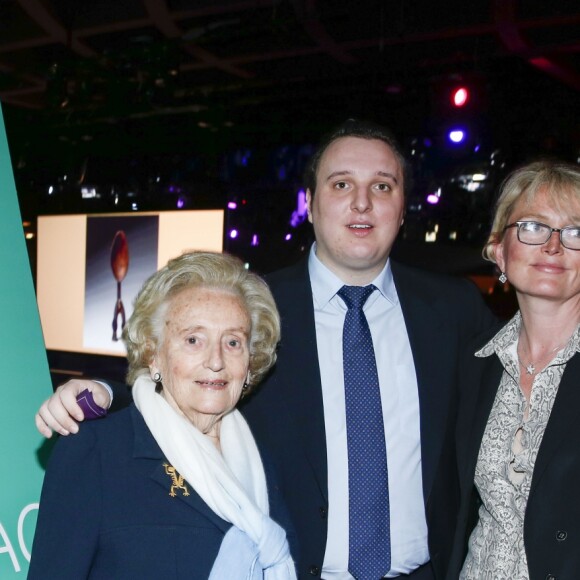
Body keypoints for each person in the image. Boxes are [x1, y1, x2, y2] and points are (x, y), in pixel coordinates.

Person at [35, 120, 496, 579]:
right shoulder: (255, 308)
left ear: (402, 208)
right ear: (310, 204)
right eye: (341, 184)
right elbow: (185, 384)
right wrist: (102, 393)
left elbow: (520, 388)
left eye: (382, 185)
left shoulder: (453, 311)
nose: (362, 202)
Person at [29, 251, 297, 579]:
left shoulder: (261, 460)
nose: (216, 361)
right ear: (153, 354)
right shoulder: (97, 452)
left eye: (232, 342)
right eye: (193, 340)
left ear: (250, 362)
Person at [447, 160, 580, 579]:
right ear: (499, 250)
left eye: (575, 232)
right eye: (534, 227)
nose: (553, 247)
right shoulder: (475, 365)